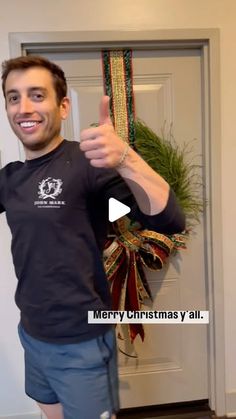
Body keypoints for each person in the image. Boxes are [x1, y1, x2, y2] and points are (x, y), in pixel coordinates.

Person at [0, 55, 185, 419]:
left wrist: (126, 159)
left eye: (37, 95)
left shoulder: (89, 165)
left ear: (63, 105)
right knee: (48, 410)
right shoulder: (10, 178)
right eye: (13, 97)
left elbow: (169, 220)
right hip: (33, 333)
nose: (24, 107)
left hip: (81, 342)